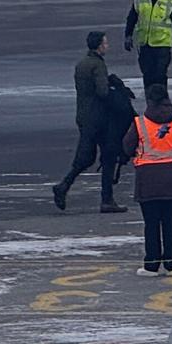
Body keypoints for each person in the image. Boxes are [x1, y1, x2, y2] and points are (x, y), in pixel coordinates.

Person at [122, 82, 172, 276]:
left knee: (151, 223)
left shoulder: (140, 123)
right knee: (170, 221)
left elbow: (127, 146)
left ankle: (152, 264)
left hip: (148, 178)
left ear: (149, 100)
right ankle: (170, 263)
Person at [53, 31, 125, 213]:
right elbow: (102, 92)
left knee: (85, 157)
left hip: (84, 117)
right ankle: (106, 200)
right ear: (100, 46)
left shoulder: (82, 64)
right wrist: (114, 89)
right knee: (109, 156)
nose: (107, 46)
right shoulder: (98, 65)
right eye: (106, 43)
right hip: (99, 119)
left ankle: (65, 185)